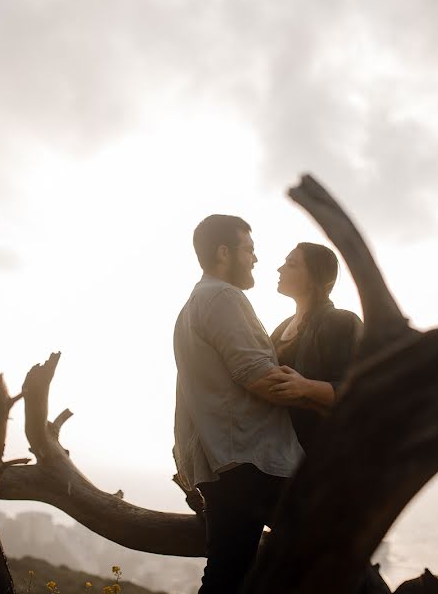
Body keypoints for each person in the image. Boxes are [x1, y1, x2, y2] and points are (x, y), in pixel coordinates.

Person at [173, 215, 321, 594]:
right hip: (254, 462)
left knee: (227, 574)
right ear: (224, 253)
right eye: (249, 249)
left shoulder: (192, 305)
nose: (256, 259)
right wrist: (323, 394)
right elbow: (257, 376)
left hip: (225, 461)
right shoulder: (224, 297)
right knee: (329, 546)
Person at [269, 242, 362, 452]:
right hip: (282, 451)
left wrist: (306, 386)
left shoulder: (341, 322)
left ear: (313, 278)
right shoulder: (280, 327)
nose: (280, 269)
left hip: (326, 453)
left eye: (291, 264)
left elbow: (360, 391)